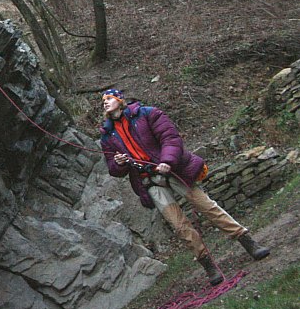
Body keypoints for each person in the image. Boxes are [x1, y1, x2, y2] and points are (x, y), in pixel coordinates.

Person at [98, 89, 270, 286]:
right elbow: (113, 167)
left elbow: (170, 138)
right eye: (103, 101)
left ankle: (248, 242)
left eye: (109, 99)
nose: (105, 103)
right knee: (179, 226)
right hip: (150, 181)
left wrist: (166, 161)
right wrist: (119, 162)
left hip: (172, 171)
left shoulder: (148, 114)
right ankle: (208, 265)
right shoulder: (107, 136)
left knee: (207, 207)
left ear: (120, 101)